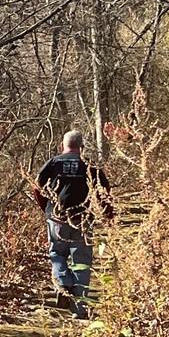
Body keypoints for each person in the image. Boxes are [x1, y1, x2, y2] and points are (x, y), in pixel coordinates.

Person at [31, 130, 111, 317]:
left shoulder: (54, 163)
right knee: (82, 262)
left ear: (62, 146)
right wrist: (107, 213)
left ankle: (63, 282)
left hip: (57, 217)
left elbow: (37, 186)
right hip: (83, 219)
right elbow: (105, 190)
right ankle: (79, 309)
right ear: (81, 147)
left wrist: (46, 207)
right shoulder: (89, 165)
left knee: (56, 253)